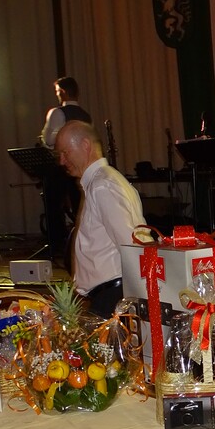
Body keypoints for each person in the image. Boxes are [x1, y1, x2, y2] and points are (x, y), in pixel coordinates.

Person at [54, 120, 144, 318]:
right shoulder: (102, 181)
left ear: (85, 145)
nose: (61, 161)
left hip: (113, 296)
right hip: (111, 294)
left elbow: (129, 243)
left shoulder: (102, 185)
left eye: (65, 153)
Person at [40, 76, 93, 265]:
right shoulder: (85, 115)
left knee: (53, 205)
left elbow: (49, 140)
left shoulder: (57, 112)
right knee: (80, 206)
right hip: (81, 167)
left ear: (62, 92)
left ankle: (58, 246)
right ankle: (82, 247)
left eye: (57, 92)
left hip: (60, 166)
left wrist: (45, 139)